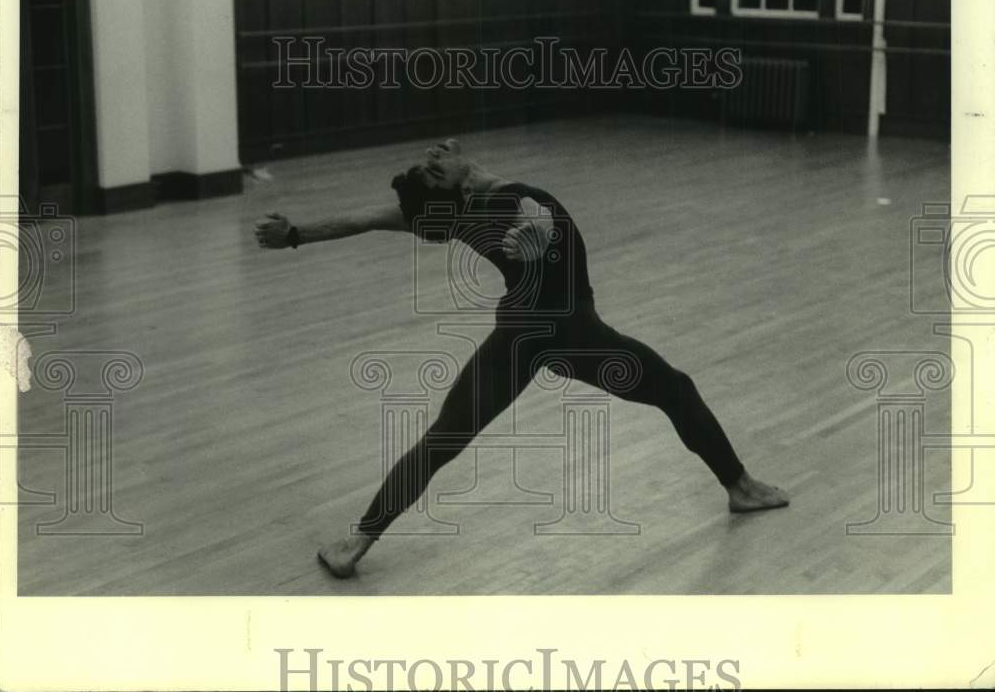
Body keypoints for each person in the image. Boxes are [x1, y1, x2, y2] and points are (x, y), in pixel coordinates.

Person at [254, 138, 789, 578]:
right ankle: (739, 486)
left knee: (443, 440)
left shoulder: (450, 213)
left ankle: (357, 540)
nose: (434, 155)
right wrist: (536, 236)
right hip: (570, 334)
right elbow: (533, 218)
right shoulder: (499, 204)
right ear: (455, 186)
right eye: (432, 166)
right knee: (676, 388)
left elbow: (362, 219)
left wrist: (296, 234)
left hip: (516, 333)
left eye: (432, 158)